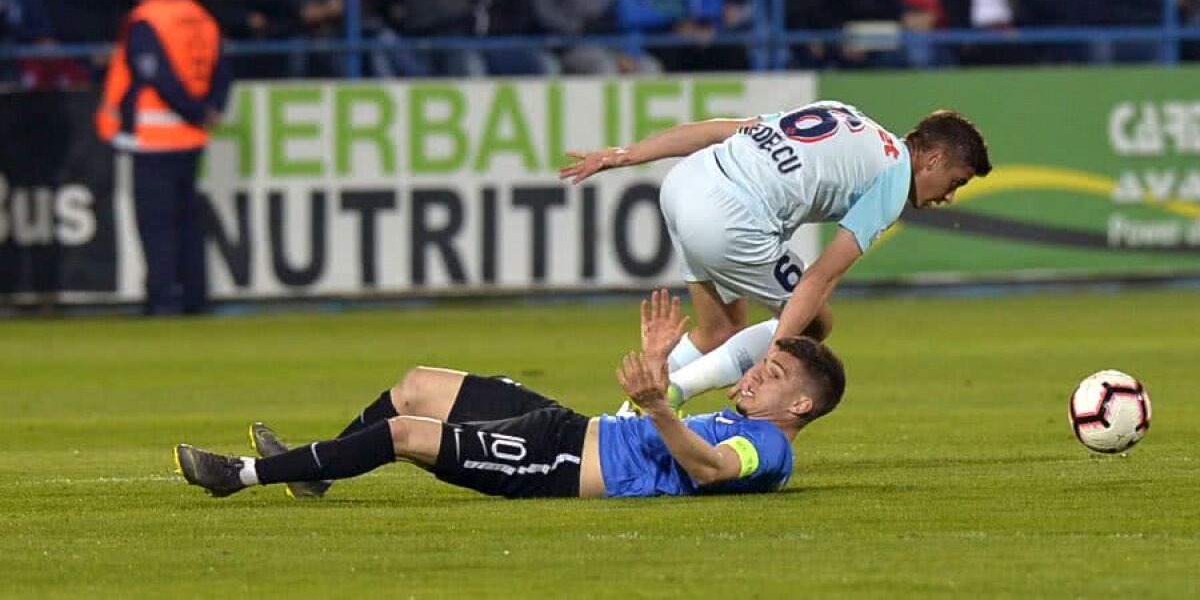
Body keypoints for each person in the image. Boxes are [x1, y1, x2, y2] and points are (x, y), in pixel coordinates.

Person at [174, 290, 846, 500]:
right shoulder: (747, 415)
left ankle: (241, 475)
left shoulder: (763, 447)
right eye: (765, 365)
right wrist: (658, 366)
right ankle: (317, 472)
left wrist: (659, 404)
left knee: (407, 431)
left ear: (802, 407)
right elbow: (667, 422)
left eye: (774, 375)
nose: (756, 374)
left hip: (556, 466)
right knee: (416, 384)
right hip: (566, 426)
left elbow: (710, 467)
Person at [559, 105, 989, 411]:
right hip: (730, 217)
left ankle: (623, 418)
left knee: (721, 328)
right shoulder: (894, 183)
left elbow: (719, 130)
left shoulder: (843, 113)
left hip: (686, 181)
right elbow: (819, 279)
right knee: (817, 324)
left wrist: (625, 154)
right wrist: (774, 357)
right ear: (932, 158)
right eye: (955, 181)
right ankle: (671, 395)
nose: (948, 197)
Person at [94, 0, 232, 316]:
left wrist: (190, 110)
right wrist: (207, 110)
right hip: (192, 137)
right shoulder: (203, 18)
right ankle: (195, 296)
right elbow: (222, 71)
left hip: (155, 136)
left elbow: (156, 74)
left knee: (156, 224)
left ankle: (162, 298)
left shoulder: (147, 19)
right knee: (188, 219)